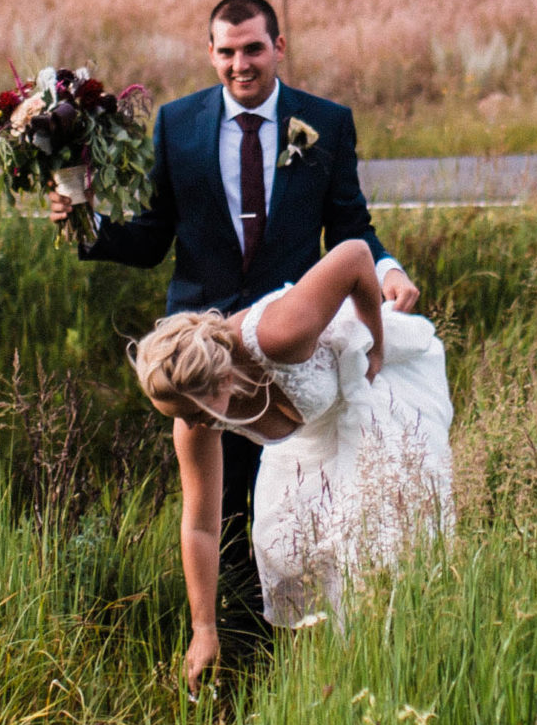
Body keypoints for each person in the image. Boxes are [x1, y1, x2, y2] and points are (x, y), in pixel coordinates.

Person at [50, 0, 428, 670]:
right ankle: (246, 647)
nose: (239, 63)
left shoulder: (325, 123)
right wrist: (89, 225)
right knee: (223, 515)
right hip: (202, 349)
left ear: (278, 47)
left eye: (252, 48)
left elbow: (350, 230)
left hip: (292, 338)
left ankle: (333, 645)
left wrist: (387, 276)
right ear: (211, 53)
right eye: (226, 51)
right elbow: (152, 238)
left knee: (313, 512)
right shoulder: (178, 124)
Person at [128, 237, 452, 688]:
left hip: (373, 387)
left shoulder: (278, 334)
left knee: (377, 545)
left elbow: (355, 255)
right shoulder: (194, 423)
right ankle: (329, 680)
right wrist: (204, 629)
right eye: (179, 417)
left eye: (195, 411)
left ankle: (402, 666)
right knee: (283, 548)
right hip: (309, 437)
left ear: (221, 377)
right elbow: (200, 525)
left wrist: (375, 344)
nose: (190, 424)